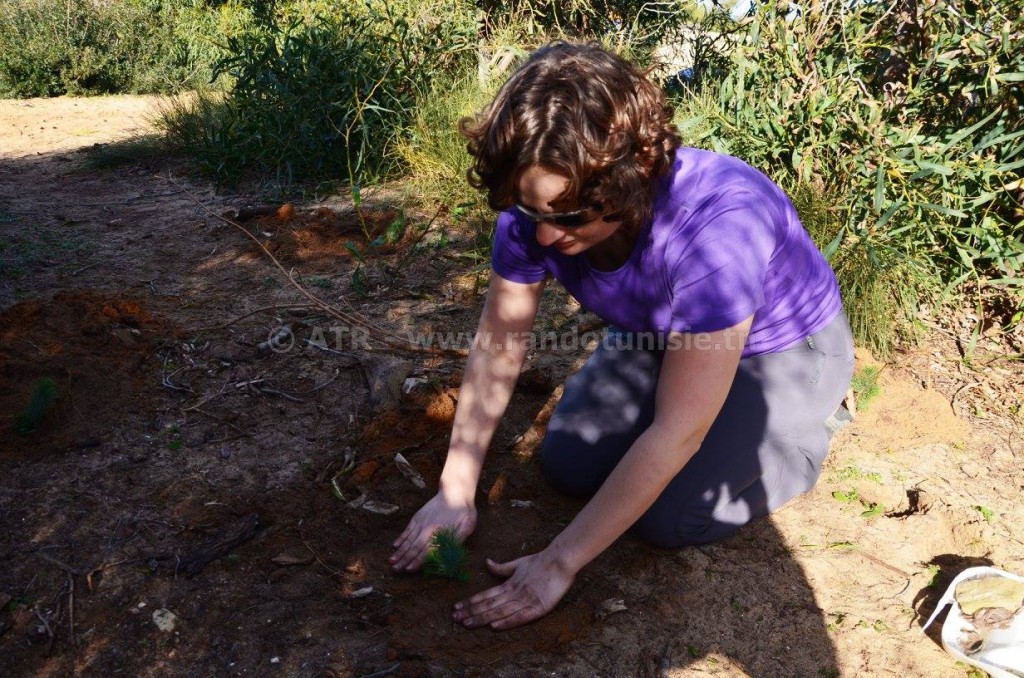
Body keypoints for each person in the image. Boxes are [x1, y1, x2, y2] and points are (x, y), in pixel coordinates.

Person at [388, 41, 854, 631]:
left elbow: (678, 430)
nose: (550, 238)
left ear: (631, 178)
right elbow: (500, 345)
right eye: (534, 215)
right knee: (569, 464)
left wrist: (560, 562)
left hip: (780, 353)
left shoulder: (717, 227)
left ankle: (806, 437)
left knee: (670, 520)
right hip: (664, 337)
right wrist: (455, 489)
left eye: (572, 217)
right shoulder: (533, 215)